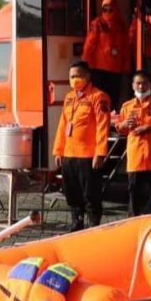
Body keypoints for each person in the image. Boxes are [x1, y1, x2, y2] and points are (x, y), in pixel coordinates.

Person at [53, 61, 111, 231]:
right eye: (71, 76)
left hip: (88, 156)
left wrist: (100, 153)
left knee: (91, 194)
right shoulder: (69, 97)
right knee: (72, 192)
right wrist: (59, 150)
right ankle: (77, 222)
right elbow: (63, 125)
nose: (74, 79)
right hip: (70, 154)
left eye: (78, 76)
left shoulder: (99, 97)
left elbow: (103, 127)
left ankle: (93, 225)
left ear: (87, 76)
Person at [117, 70, 151, 216]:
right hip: (136, 160)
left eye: (144, 83)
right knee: (134, 199)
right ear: (133, 85)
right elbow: (119, 128)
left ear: (150, 84)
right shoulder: (127, 106)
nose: (141, 86)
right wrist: (125, 124)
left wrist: (148, 128)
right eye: (138, 83)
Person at [83, 0, 130, 104]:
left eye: (110, 9)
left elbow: (126, 49)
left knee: (113, 100)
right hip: (99, 71)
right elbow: (89, 47)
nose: (108, 11)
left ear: (116, 9)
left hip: (116, 71)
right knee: (100, 99)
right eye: (105, 9)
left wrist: (126, 68)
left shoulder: (121, 26)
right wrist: (85, 67)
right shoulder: (97, 24)